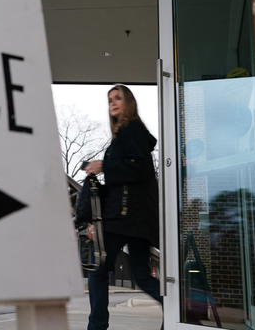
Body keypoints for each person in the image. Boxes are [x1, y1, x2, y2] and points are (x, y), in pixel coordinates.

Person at [83, 84, 162, 330]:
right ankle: (181, 310)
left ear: (129, 102)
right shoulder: (126, 133)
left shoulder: (132, 129)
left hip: (124, 217)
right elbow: (131, 174)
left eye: (118, 98)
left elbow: (140, 170)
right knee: (142, 275)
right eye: (110, 100)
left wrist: (104, 166)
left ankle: (96, 327)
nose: (113, 103)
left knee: (98, 272)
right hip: (134, 217)